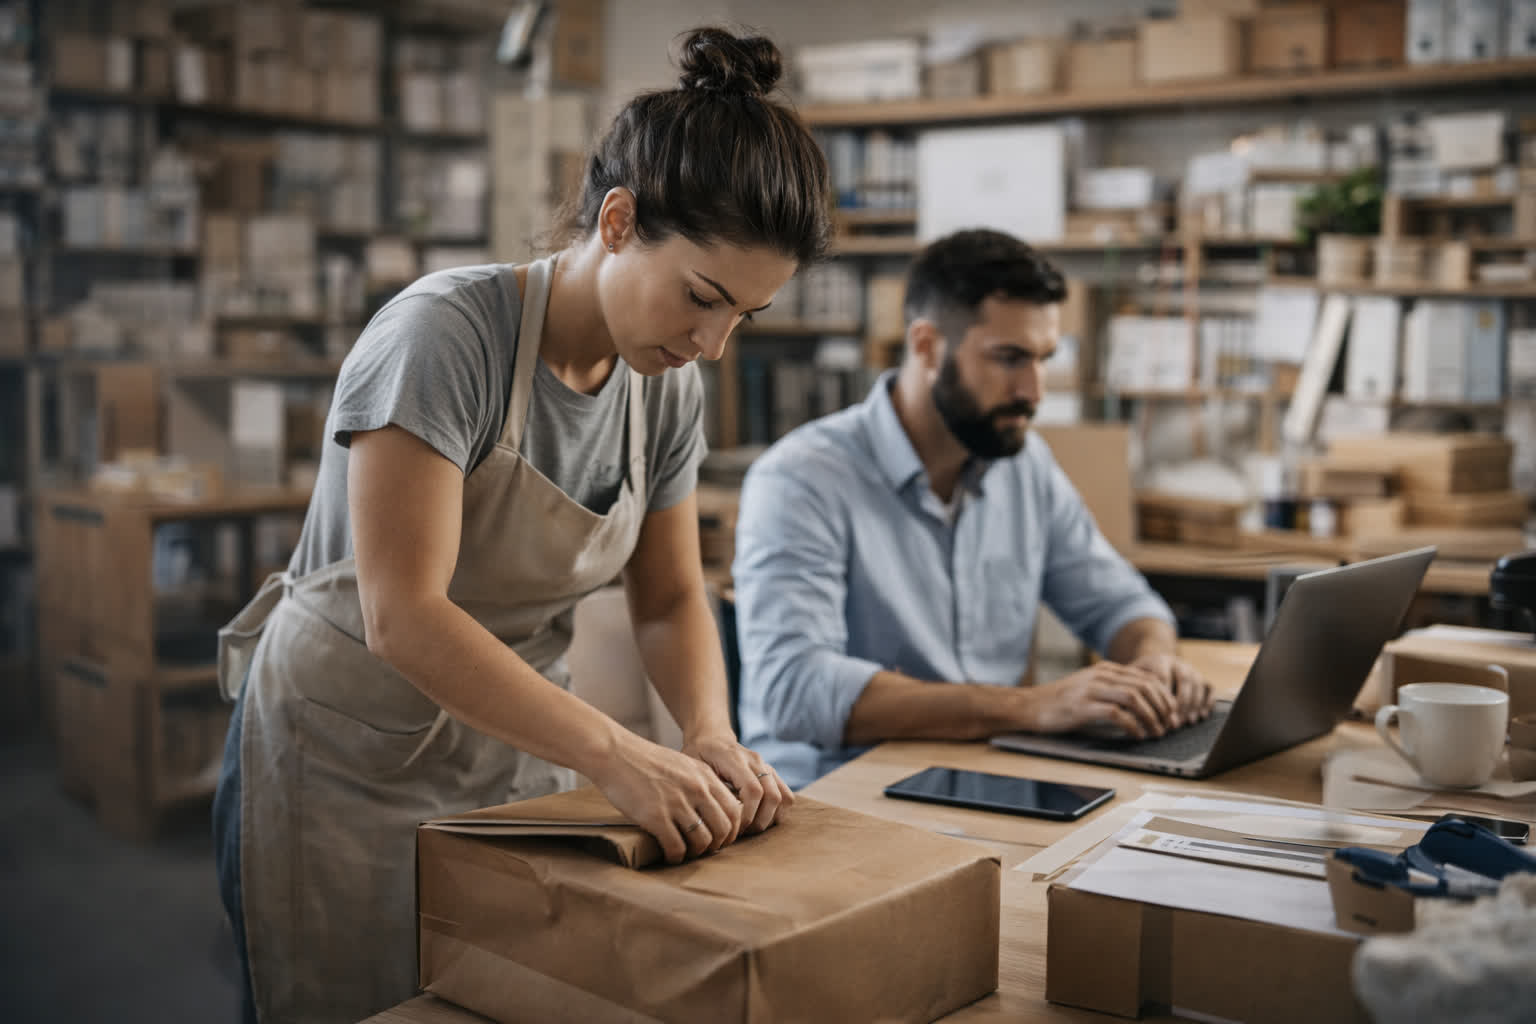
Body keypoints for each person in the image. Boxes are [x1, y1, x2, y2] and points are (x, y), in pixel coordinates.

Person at [211, 27, 828, 1024]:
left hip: (515, 743)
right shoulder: (444, 337)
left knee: (508, 996)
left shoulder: (665, 385)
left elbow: (671, 596)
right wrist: (618, 753)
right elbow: (404, 615)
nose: (713, 345)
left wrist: (709, 733)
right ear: (618, 221)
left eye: (743, 318)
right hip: (344, 753)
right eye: (703, 298)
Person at [731, 229, 1217, 791]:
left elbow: (1123, 603)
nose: (1034, 391)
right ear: (927, 346)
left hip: (981, 784)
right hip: (835, 799)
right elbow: (795, 690)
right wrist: (1030, 706)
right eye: (1010, 358)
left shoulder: (1025, 465)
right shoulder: (801, 478)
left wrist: (1155, 664)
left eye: (1044, 360)